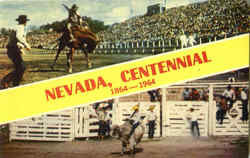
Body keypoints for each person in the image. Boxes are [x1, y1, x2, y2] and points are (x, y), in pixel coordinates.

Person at [1, 15, 31, 89]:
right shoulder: (21, 27)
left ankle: (13, 83)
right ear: (25, 22)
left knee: (20, 68)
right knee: (21, 67)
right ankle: (8, 82)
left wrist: (21, 48)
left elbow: (15, 40)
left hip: (13, 50)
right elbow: (19, 37)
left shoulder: (17, 28)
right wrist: (26, 44)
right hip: (13, 50)